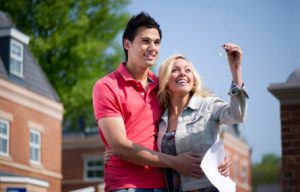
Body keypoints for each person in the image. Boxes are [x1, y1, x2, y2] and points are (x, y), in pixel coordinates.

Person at [92, 12, 231, 192]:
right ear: (127, 44)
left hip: (166, 184)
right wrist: (174, 162)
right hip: (126, 184)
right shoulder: (107, 86)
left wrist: (219, 157)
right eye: (145, 41)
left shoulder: (164, 86)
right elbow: (119, 146)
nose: (152, 48)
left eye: (156, 42)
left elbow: (198, 120)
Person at [156, 44, 248, 192]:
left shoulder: (208, 105)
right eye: (175, 70)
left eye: (188, 70)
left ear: (193, 79)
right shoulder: (160, 118)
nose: (183, 73)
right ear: (165, 80)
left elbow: (237, 115)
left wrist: (236, 70)